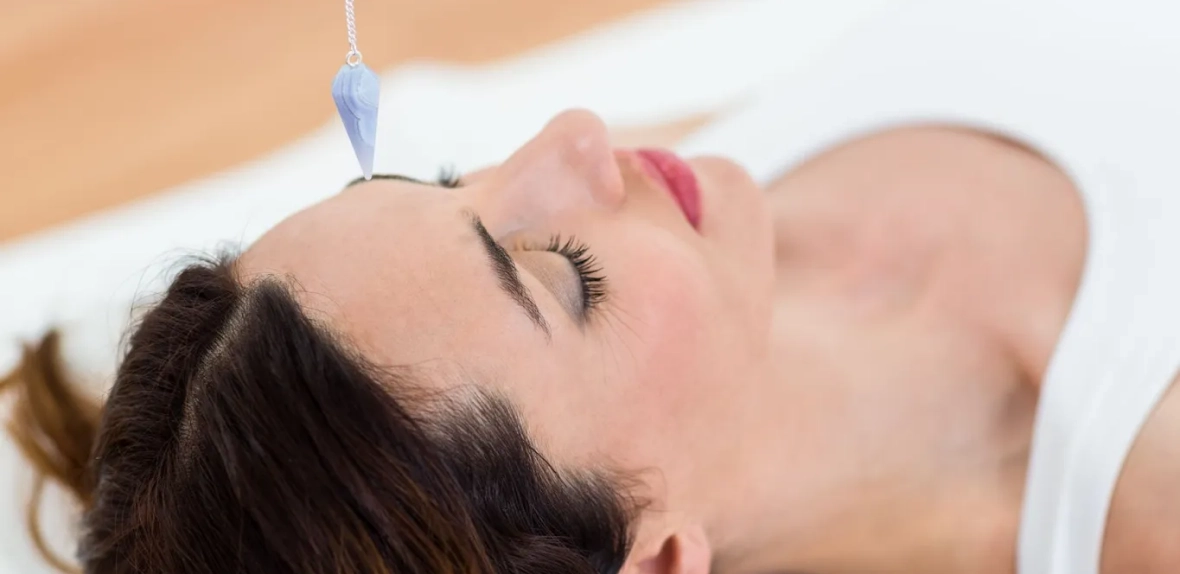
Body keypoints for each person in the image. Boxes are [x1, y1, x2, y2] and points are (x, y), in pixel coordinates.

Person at [4, 1, 1179, 573]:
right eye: (566, 280)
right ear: (658, 556)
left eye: (454, 179)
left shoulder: (712, 225)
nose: (570, 139)